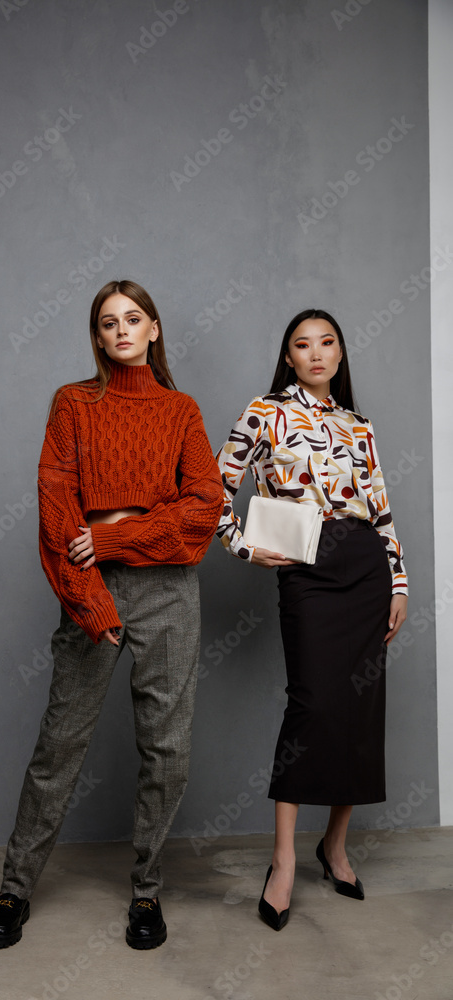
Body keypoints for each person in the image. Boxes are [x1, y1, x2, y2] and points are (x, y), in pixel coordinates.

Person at [0, 279, 224, 951]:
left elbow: (203, 507)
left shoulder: (180, 410)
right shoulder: (74, 404)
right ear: (96, 336)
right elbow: (55, 502)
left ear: (153, 329)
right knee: (59, 745)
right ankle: (15, 887)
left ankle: (146, 893)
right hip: (93, 584)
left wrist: (119, 535)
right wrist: (90, 600)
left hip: (169, 589)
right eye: (108, 322)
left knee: (166, 751)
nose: (121, 330)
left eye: (133, 319)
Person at [216, 308, 408, 931]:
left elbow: (380, 509)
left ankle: (335, 846)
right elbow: (213, 491)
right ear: (290, 356)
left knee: (359, 706)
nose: (317, 353)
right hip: (306, 564)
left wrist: (398, 580)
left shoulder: (359, 426)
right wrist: (244, 545)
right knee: (313, 703)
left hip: (365, 565)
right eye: (304, 345)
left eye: (328, 343)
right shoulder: (265, 411)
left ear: (341, 353)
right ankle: (283, 861)